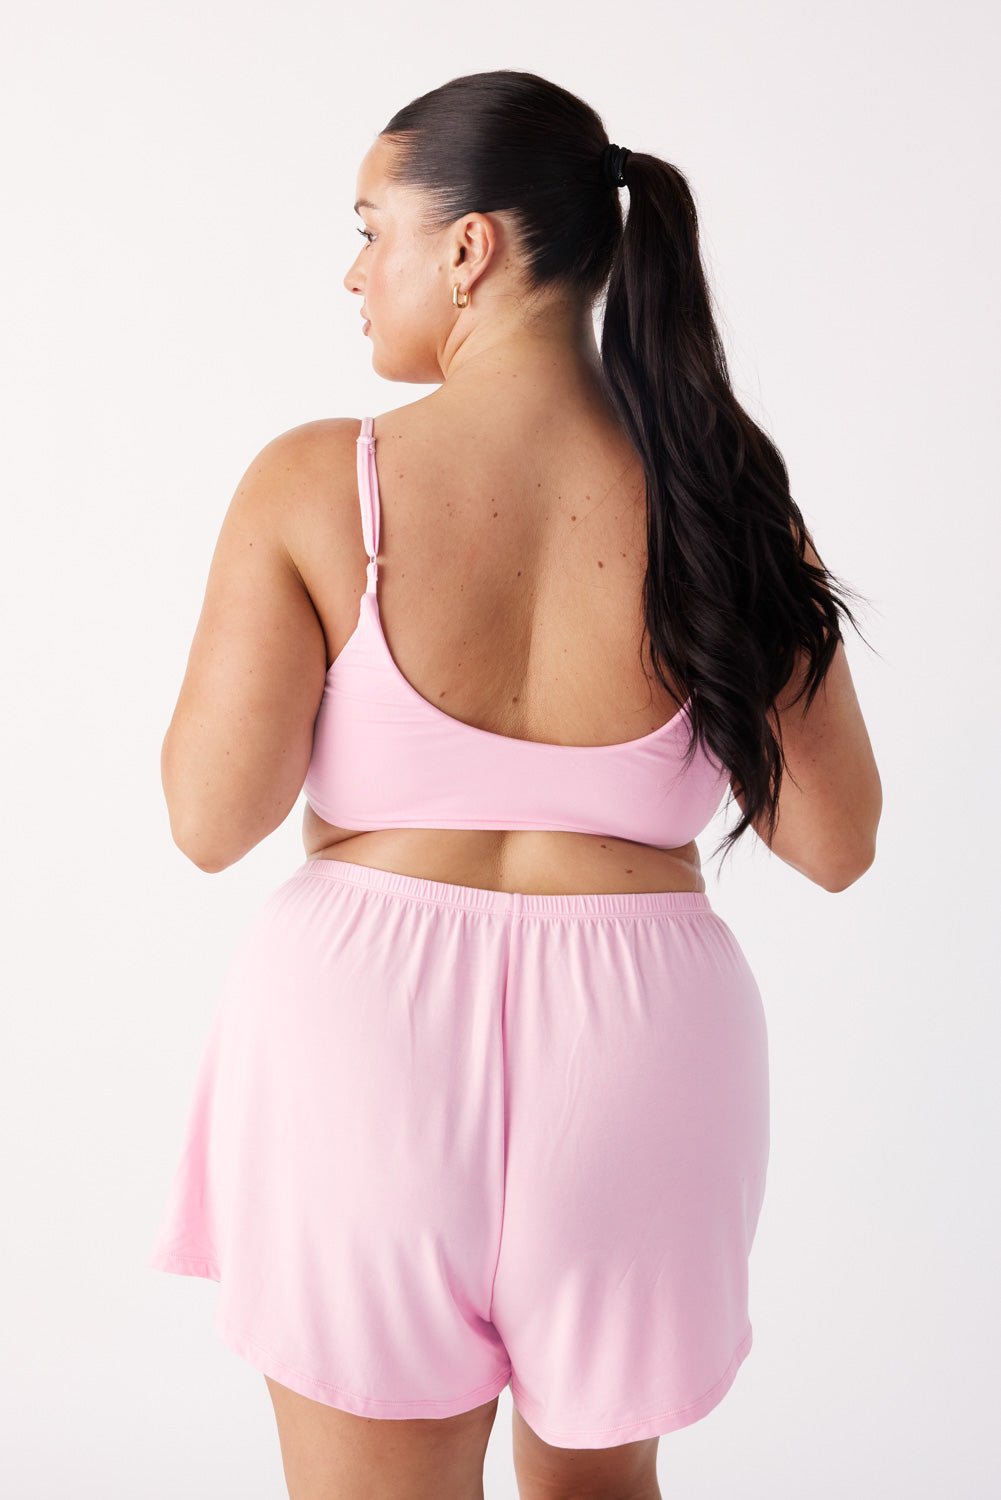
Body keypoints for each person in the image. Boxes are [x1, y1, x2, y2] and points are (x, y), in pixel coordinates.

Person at [148, 69, 882, 1500]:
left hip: (360, 1038)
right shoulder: (724, 497)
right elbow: (836, 838)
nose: (355, 273)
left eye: (372, 228)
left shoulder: (318, 481)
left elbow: (208, 820)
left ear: (469, 247)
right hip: (640, 1048)